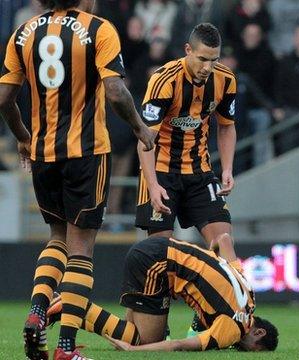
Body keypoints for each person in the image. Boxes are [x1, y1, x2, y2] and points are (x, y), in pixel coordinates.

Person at [0, 0, 155, 359]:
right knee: (81, 250)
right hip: (86, 153)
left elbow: (4, 97)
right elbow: (115, 92)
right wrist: (138, 127)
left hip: (43, 154)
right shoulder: (99, 28)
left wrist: (24, 136)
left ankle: (39, 311)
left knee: (56, 238)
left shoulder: (23, 32)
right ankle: (66, 347)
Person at [46, 235, 278, 352]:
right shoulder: (233, 330)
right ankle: (69, 305)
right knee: (143, 340)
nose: (239, 349)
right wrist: (135, 351)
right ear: (258, 332)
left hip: (158, 250)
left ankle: (67, 309)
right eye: (254, 350)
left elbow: (224, 239)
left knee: (131, 332)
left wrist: (210, 264)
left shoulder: (249, 294)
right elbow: (179, 344)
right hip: (156, 264)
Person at [135, 23, 236, 252]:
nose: (208, 67)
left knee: (224, 244)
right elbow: (145, 141)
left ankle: (232, 286)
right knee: (159, 252)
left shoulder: (226, 79)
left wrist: (227, 168)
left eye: (215, 60)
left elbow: (227, 127)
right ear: (188, 50)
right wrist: (152, 185)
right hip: (161, 172)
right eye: (202, 59)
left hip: (199, 171)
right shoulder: (164, 80)